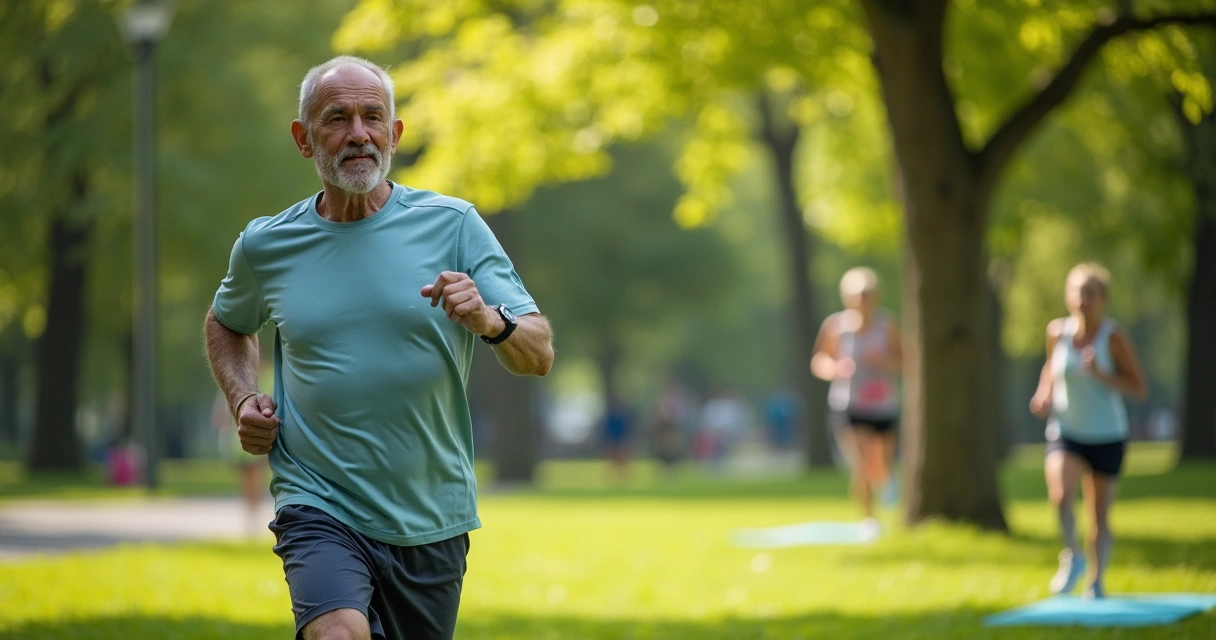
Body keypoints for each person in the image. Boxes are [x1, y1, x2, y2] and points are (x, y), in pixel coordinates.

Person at [203, 56, 554, 640]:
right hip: (317, 500)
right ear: (303, 138)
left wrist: (491, 320)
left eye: (373, 117)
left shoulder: (454, 225)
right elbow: (226, 321)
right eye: (337, 118)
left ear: (395, 134)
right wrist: (243, 398)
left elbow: (538, 353)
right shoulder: (266, 244)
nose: (358, 133)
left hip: (430, 514)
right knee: (337, 633)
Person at [1029, 263, 1146, 599]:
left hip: (1107, 434)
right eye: (1077, 292)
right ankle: (1072, 556)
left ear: (1103, 299)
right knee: (1060, 496)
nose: (1082, 300)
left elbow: (1138, 387)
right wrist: (1043, 393)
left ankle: (1096, 581)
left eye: (1090, 293)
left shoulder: (1115, 337)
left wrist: (1099, 374)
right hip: (1066, 430)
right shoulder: (1057, 332)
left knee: (1099, 515)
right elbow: (1051, 367)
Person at [810, 267, 902, 537]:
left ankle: (886, 485)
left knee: (881, 465)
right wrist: (834, 369)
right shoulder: (836, 327)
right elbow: (819, 359)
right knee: (861, 465)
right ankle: (869, 520)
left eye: (869, 293)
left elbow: (907, 360)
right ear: (847, 297)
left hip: (883, 404)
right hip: (848, 404)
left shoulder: (887, 325)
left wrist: (883, 361)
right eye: (859, 294)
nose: (864, 299)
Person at [210, 391, 268, 536]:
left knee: (255, 476)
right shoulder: (235, 384)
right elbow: (220, 415)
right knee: (247, 479)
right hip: (238, 442)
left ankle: (254, 511)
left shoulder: (267, 381)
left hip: (255, 438)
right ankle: (251, 511)